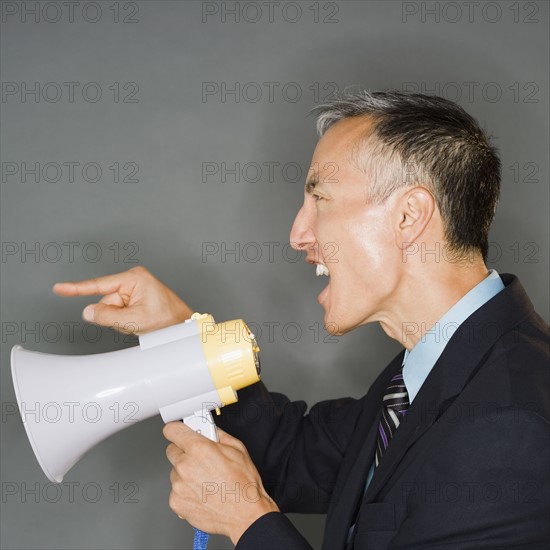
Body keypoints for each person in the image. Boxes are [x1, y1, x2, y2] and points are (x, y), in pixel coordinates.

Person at [53, 92, 549, 549]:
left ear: (408, 217)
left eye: (321, 199)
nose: (298, 233)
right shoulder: (427, 377)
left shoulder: (512, 421)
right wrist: (179, 334)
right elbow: (291, 455)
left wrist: (248, 521)